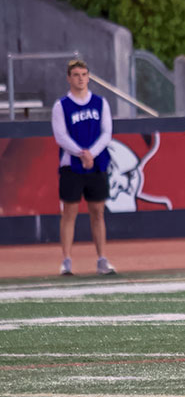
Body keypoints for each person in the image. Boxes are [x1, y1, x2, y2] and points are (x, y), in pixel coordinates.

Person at [51, 59, 116, 276]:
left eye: (84, 74)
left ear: (89, 77)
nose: (81, 78)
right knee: (69, 211)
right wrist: (81, 153)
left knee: (97, 211)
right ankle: (66, 260)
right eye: (76, 74)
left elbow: (107, 132)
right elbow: (61, 136)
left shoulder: (100, 103)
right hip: (72, 165)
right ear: (69, 78)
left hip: (96, 164)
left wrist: (91, 154)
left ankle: (102, 259)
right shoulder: (61, 105)